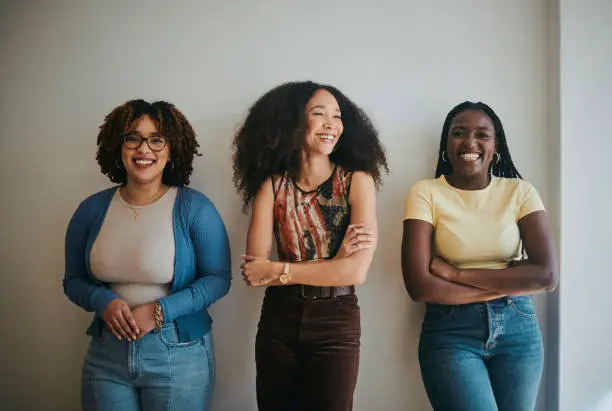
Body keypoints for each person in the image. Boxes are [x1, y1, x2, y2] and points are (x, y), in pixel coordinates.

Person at [63, 99, 231, 411]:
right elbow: (72, 281)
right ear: (119, 146)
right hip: (106, 356)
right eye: (133, 138)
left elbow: (219, 279)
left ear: (172, 150)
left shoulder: (195, 208)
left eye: (157, 139)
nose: (144, 149)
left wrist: (160, 311)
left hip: (179, 355)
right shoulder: (91, 209)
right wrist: (103, 301)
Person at [232, 81, 388, 411]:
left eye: (337, 116)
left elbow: (356, 271)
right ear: (294, 122)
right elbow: (254, 273)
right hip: (279, 319)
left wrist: (279, 269)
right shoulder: (273, 186)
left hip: (336, 321)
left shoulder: (356, 182)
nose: (332, 124)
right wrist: (333, 265)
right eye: (319, 114)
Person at [401, 101, 558, 411]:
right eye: (459, 133)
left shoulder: (520, 192)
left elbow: (547, 275)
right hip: (451, 332)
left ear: (495, 145)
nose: (470, 142)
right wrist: (514, 281)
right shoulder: (426, 192)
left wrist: (457, 274)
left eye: (482, 134)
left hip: (519, 331)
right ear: (446, 144)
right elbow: (420, 286)